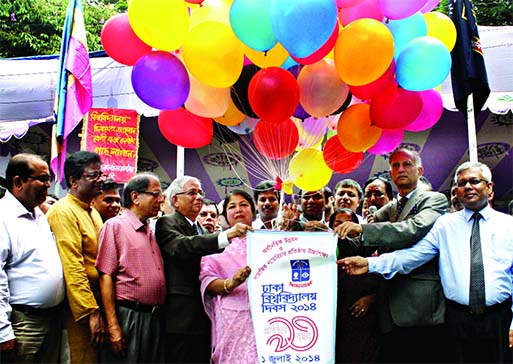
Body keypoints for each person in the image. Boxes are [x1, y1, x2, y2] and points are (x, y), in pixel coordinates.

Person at [339, 161, 513, 363]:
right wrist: (370, 264)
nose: (467, 187)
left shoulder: (508, 226)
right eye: (461, 183)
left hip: (500, 318)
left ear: (489, 188)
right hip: (457, 319)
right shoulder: (445, 225)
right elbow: (412, 256)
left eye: (474, 181)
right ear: (455, 191)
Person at [334, 147, 449, 363]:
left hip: (420, 309)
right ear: (390, 173)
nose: (401, 169)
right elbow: (360, 244)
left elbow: (412, 229)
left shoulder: (435, 199)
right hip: (387, 312)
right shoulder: (391, 207)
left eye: (407, 164)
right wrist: (322, 236)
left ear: (420, 170)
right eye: (395, 165)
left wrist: (362, 229)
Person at [155, 176, 251, 363]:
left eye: (200, 192)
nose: (198, 197)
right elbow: (182, 247)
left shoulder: (203, 230)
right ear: (175, 200)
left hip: (206, 319)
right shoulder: (167, 223)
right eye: (192, 193)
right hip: (181, 319)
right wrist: (225, 236)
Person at [0, 154, 65, 363]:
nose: (48, 185)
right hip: (23, 324)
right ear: (18, 182)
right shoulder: (4, 217)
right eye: (43, 179)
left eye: (49, 178)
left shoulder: (39, 214)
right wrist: (3, 331)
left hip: (51, 320)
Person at [96, 173, 166, 363]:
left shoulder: (151, 230)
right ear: (135, 197)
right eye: (155, 194)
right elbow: (106, 276)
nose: (160, 200)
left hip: (154, 318)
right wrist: (113, 326)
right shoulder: (115, 227)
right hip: (130, 317)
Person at [46, 151, 107, 363]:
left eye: (101, 174)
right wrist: (90, 312)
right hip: (78, 310)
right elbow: (72, 266)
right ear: (73, 181)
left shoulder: (92, 211)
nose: (101, 180)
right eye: (94, 175)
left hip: (98, 302)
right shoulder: (63, 211)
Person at [199, 189, 256, 363]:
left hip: (265, 313)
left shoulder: (268, 242)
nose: (238, 209)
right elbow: (207, 280)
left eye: (244, 205)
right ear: (224, 216)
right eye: (232, 206)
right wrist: (232, 282)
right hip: (231, 316)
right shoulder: (216, 245)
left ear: (253, 212)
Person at [330, 208, 380, 364]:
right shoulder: (324, 251)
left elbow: (388, 283)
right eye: (338, 223)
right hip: (335, 322)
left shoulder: (369, 251)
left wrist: (372, 298)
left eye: (348, 223)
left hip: (363, 323)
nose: (343, 227)